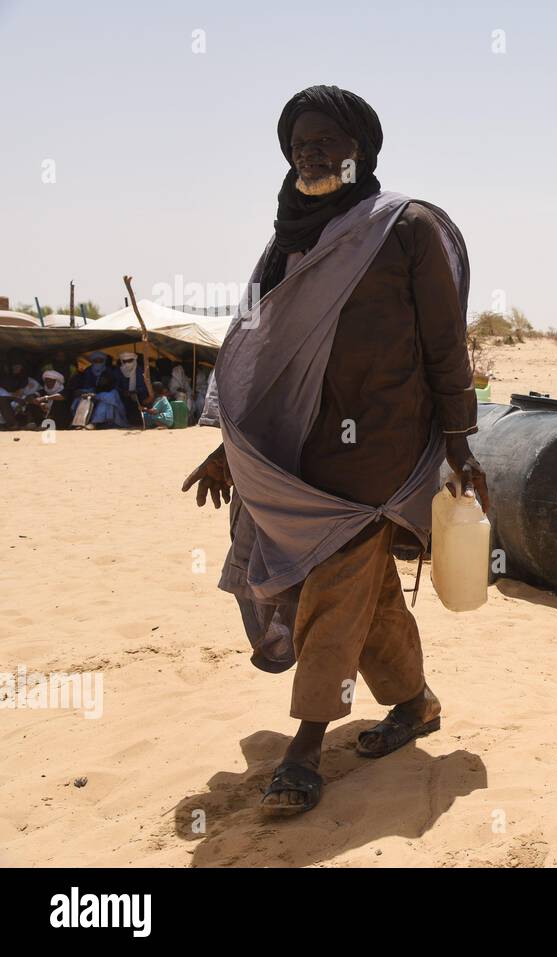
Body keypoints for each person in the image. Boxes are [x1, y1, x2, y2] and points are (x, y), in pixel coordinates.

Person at [181, 85, 488, 817]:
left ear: (362, 152)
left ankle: (306, 744)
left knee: (333, 582)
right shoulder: (288, 239)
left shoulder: (404, 227)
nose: (309, 153)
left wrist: (459, 442)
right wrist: (230, 444)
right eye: (298, 144)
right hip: (300, 448)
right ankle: (414, 702)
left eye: (326, 142)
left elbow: (447, 345)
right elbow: (255, 349)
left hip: (380, 446)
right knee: (367, 590)